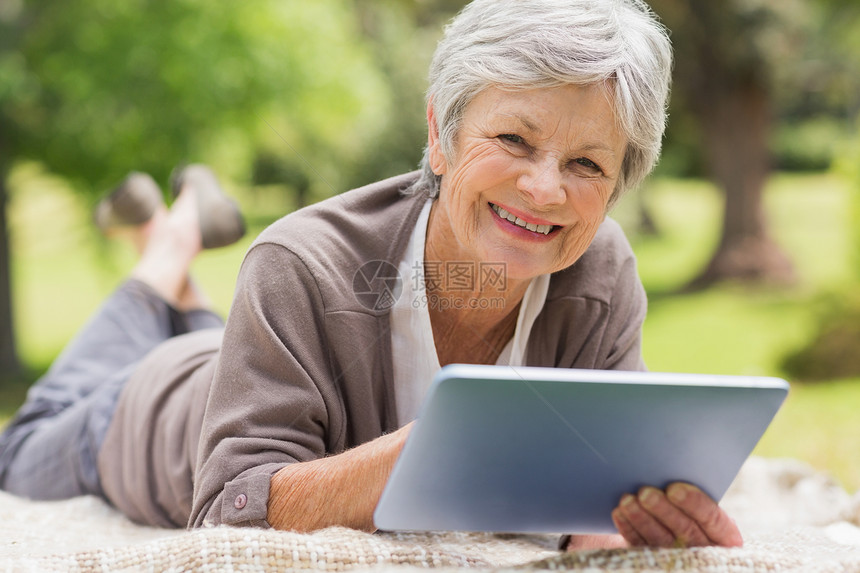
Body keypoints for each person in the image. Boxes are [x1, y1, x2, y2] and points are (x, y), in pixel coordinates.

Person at [0, 0, 743, 550]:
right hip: (147, 411)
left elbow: (590, 503)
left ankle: (181, 269)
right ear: (440, 137)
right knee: (20, 450)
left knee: (215, 338)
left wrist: (638, 522)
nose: (546, 189)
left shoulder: (602, 275)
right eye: (515, 138)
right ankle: (168, 251)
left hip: (244, 358)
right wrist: (441, 446)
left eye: (587, 163)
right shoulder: (299, 262)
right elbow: (226, 510)